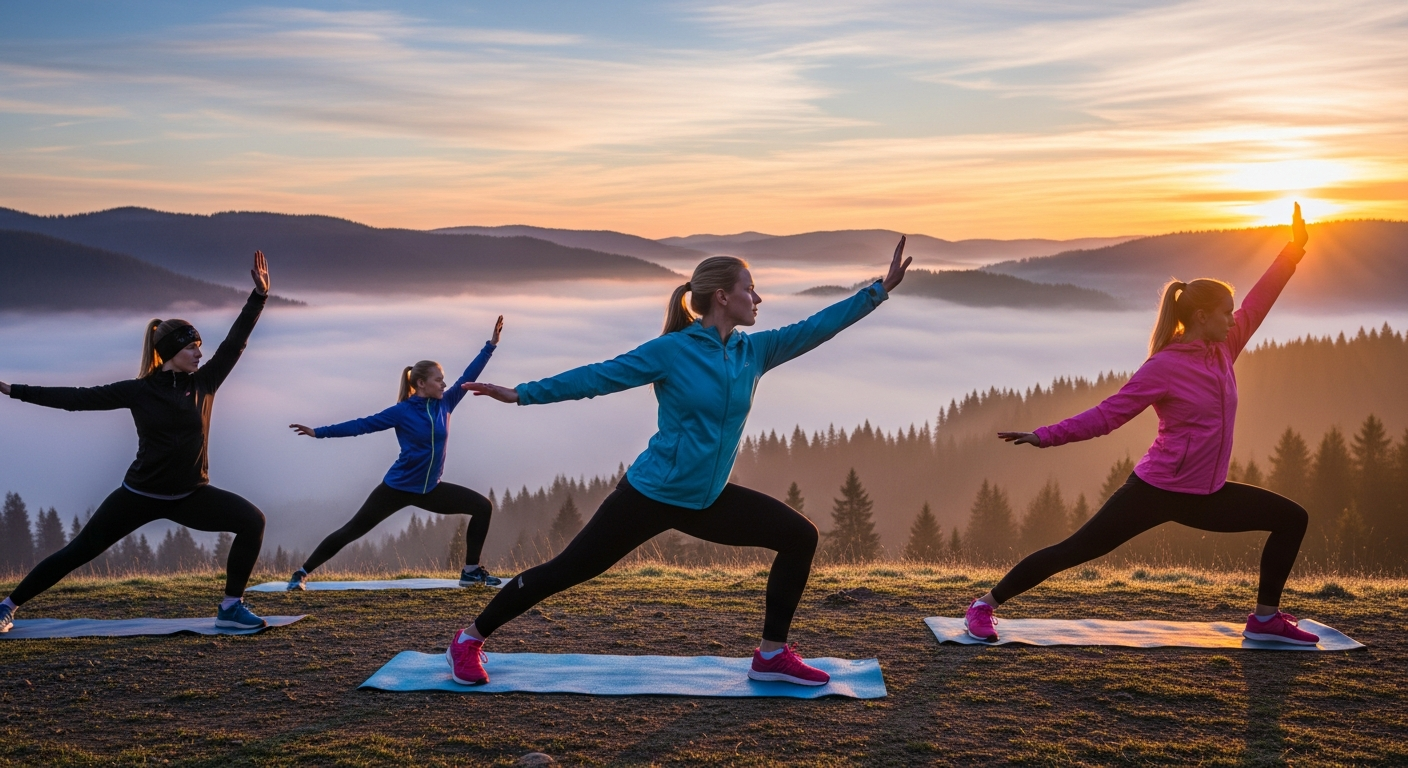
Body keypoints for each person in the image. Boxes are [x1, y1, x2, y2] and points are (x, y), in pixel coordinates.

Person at [443, 240, 913, 686]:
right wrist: (521, 394)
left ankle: (771, 655)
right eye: (750, 289)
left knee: (799, 536)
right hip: (651, 495)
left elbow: (817, 327)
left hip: (706, 498)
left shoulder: (755, 350)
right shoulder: (671, 351)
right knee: (567, 570)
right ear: (723, 296)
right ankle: (468, 640)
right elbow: (599, 376)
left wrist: (878, 291)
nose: (759, 298)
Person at [967, 203, 1317, 645]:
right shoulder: (1164, 366)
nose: (1234, 319)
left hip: (1206, 495)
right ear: (1203, 317)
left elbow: (1258, 301)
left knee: (1291, 519)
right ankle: (983, 606)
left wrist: (1293, 250)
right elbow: (1109, 414)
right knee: (1075, 550)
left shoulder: (1224, 346)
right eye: (1225, 313)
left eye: (1232, 314)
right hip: (1155, 491)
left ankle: (1265, 619)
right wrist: (1044, 436)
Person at [0, 252, 273, 633]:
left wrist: (258, 297)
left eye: (199, 345)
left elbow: (235, 342)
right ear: (169, 352)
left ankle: (230, 606)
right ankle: (7, 606)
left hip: (191, 494)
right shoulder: (139, 391)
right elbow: (76, 398)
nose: (199, 352)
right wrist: (13, 390)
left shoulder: (204, 383)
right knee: (78, 552)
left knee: (252, 521)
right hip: (139, 494)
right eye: (191, 347)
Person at [285, 316, 506, 590]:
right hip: (397, 488)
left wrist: (491, 345)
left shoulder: (445, 404)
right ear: (421, 384)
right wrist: (319, 432)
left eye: (444, 380)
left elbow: (468, 376)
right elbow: (362, 425)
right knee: (352, 530)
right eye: (439, 380)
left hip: (430, 489)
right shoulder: (402, 411)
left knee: (482, 507)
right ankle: (301, 573)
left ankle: (470, 572)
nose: (444, 384)